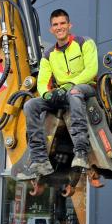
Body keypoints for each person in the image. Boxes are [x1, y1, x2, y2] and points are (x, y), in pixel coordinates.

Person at [23, 9, 98, 177]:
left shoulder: (84, 43)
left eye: (62, 23)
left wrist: (70, 85)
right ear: (51, 29)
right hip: (60, 94)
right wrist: (47, 95)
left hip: (85, 88)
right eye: (55, 25)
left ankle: (81, 152)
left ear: (69, 25)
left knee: (74, 92)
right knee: (30, 105)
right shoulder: (48, 55)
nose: (59, 27)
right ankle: (40, 159)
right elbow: (42, 82)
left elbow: (91, 70)